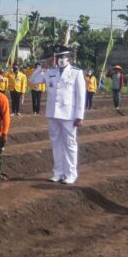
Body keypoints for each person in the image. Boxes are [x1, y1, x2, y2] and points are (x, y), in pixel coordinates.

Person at [30, 45, 85, 184]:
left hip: (69, 115)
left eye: (63, 56)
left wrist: (79, 116)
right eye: (58, 56)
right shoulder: (50, 72)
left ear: (69, 58)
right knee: (56, 144)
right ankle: (58, 172)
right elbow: (33, 80)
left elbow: (81, 96)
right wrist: (42, 66)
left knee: (70, 144)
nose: (61, 59)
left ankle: (71, 174)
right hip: (53, 113)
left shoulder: (76, 72)